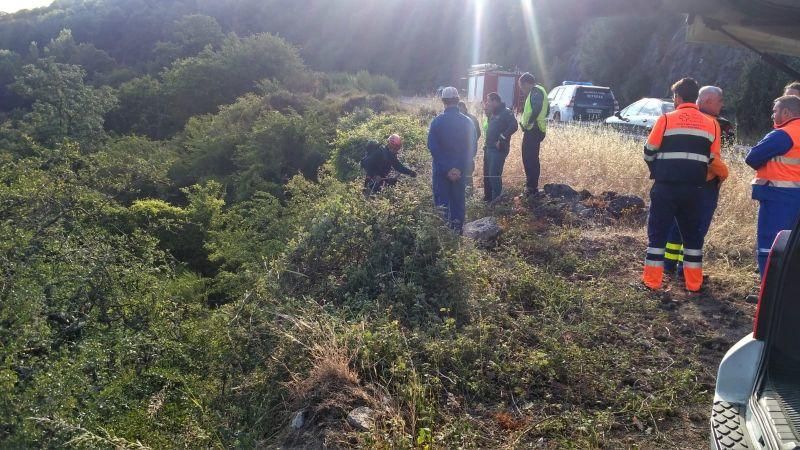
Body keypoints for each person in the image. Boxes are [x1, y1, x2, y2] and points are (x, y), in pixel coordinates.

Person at [642, 78, 721, 293]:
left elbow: (648, 151)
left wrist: (658, 171)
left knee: (658, 235)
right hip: (695, 189)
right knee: (693, 238)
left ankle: (652, 282)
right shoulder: (712, 123)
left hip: (666, 187)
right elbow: (713, 159)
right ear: (696, 97)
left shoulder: (666, 119)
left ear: (677, 97)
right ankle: (693, 284)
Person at [663, 86, 730, 276]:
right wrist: (724, 173)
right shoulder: (710, 123)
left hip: (676, 181)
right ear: (708, 101)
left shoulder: (674, 118)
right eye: (720, 101)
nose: (722, 105)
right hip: (703, 184)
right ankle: (686, 272)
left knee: (676, 227)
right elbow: (711, 157)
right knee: (695, 229)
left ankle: (668, 266)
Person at [745, 95, 800, 278]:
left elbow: (752, 157)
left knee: (770, 248)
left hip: (779, 198)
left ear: (786, 112)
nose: (772, 115)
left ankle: (768, 296)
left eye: (775, 111)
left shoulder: (784, 134)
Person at [427, 86, 477, 233]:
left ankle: (444, 236)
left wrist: (447, 169)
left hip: (441, 173)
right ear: (457, 100)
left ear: (443, 101)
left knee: (442, 204)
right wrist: (459, 169)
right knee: (458, 201)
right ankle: (457, 233)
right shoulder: (468, 122)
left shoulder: (437, 122)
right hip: (460, 173)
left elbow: (433, 148)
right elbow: (472, 148)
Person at [482, 92, 518, 203]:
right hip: (488, 147)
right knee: (487, 174)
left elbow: (514, 126)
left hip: (498, 149)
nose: (487, 103)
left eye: (488, 101)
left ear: (495, 101)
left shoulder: (506, 112)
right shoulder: (493, 113)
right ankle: (488, 199)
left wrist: (502, 138)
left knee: (494, 174)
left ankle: (496, 201)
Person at [518, 72, 549, 196]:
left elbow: (537, 108)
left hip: (533, 130)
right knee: (531, 158)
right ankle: (531, 186)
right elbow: (547, 110)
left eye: (522, 87)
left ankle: (531, 187)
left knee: (529, 159)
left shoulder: (535, 91)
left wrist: (529, 123)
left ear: (526, 83)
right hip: (535, 130)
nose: (522, 90)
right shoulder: (539, 91)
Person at [458, 101, 481, 191]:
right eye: (458, 109)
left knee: (468, 171)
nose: (460, 110)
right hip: (459, 151)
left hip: (469, 150)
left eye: (461, 108)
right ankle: (461, 190)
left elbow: (478, 133)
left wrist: (471, 143)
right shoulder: (457, 119)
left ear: (464, 108)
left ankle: (469, 191)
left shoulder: (472, 119)